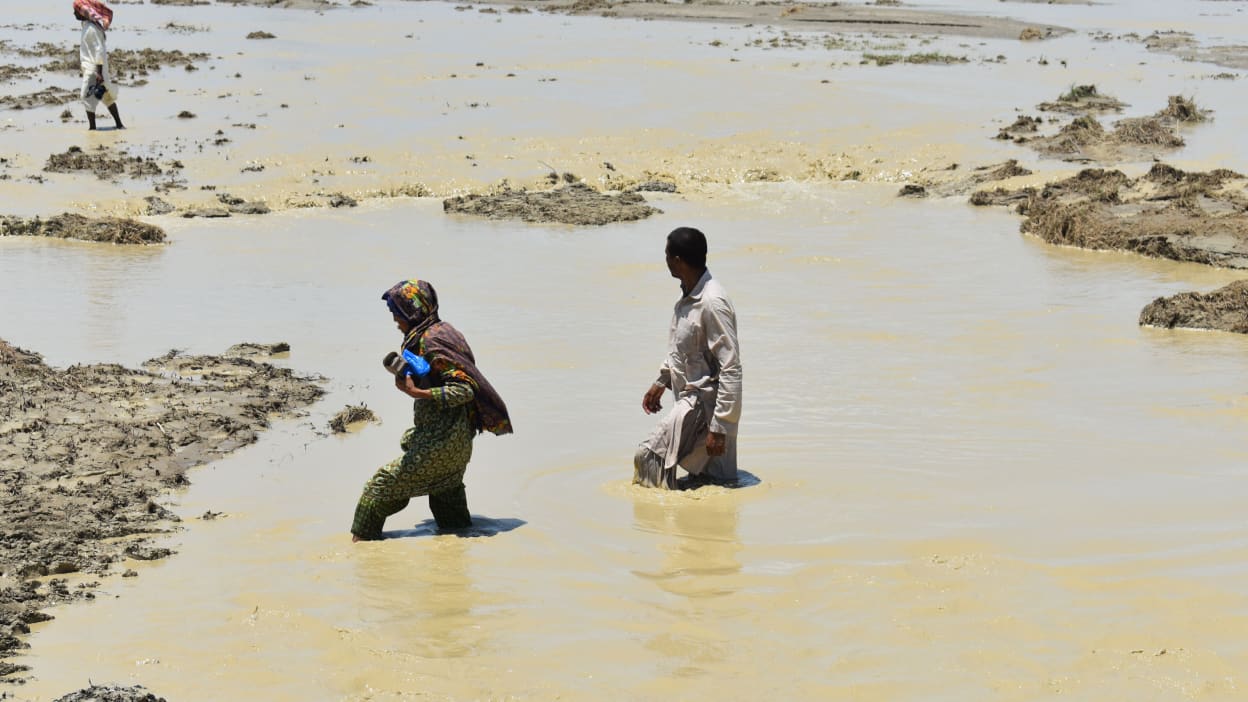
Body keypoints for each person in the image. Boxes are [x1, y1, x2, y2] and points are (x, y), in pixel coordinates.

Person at [351, 279, 513, 541]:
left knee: (377, 489)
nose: (394, 319)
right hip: (456, 442)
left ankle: (359, 557)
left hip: (441, 444)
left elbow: (465, 389)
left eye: (397, 312)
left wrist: (419, 393)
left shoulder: (431, 340)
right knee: (450, 512)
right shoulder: (443, 331)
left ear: (413, 310)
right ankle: (456, 562)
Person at [635, 227, 742, 490]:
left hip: (705, 408)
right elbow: (684, 348)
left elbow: (731, 367)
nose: (665, 260)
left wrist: (721, 426)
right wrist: (662, 380)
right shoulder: (688, 295)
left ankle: (654, 523)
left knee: (648, 458)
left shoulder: (711, 302)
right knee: (706, 483)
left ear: (678, 261)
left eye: (667, 255)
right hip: (690, 401)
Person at [73, 0, 124, 131]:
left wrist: (99, 73)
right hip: (96, 69)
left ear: (83, 13)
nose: (74, 13)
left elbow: (99, 50)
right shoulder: (88, 25)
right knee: (106, 97)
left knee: (86, 96)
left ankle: (92, 129)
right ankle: (119, 124)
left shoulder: (91, 29)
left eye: (76, 11)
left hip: (94, 70)